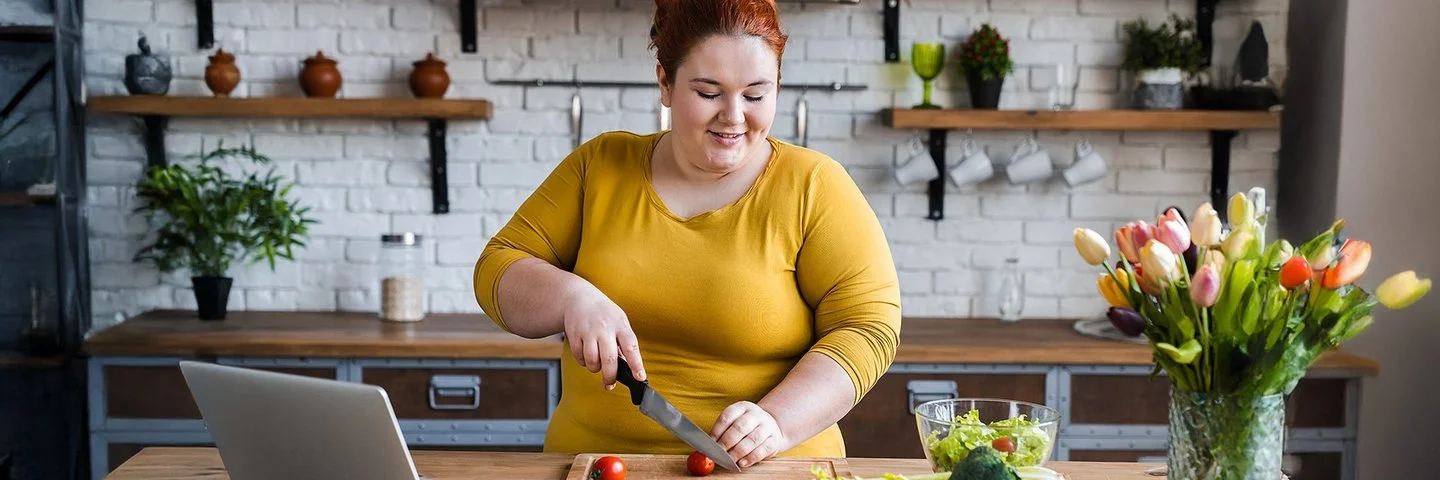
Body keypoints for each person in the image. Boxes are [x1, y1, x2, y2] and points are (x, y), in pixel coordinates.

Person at [471, 0, 900, 468]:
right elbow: (498, 267)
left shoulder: (815, 186)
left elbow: (867, 327)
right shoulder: (599, 166)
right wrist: (572, 296)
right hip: (592, 467)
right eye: (709, 92)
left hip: (770, 468)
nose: (734, 116)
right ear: (665, 84)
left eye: (756, 95)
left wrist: (777, 422)